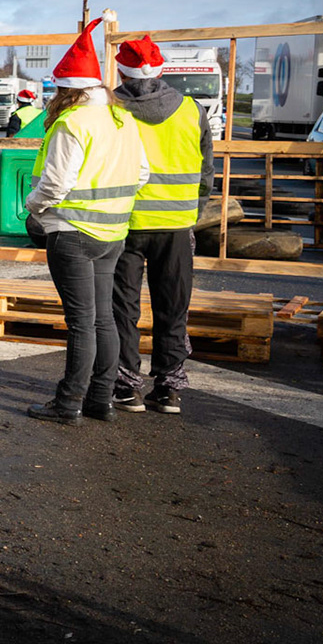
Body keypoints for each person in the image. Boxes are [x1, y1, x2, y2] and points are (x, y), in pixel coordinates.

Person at [24, 22, 149, 424]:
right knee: (103, 320)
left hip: (73, 234)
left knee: (80, 324)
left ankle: (68, 404)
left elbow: (56, 182)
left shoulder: (71, 123)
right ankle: (101, 401)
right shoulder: (122, 119)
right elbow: (143, 173)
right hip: (113, 234)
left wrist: (34, 206)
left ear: (67, 89)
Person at [110, 35, 213, 416]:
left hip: (125, 224)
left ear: (121, 69)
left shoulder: (113, 110)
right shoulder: (191, 110)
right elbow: (206, 172)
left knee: (123, 306)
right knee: (174, 307)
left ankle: (126, 387)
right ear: (162, 69)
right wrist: (192, 212)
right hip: (176, 226)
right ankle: (169, 388)